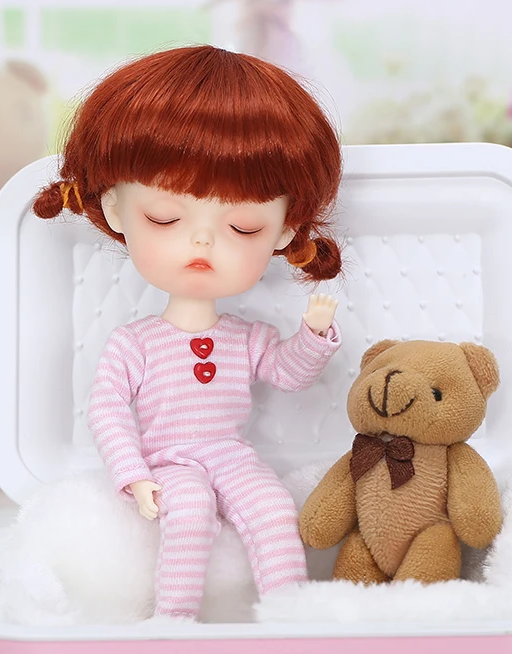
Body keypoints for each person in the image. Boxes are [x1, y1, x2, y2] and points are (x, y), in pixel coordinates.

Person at [33, 44, 343, 619]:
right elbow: (107, 410)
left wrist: (313, 335)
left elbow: (289, 374)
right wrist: (134, 475)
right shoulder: (135, 344)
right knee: (190, 516)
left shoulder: (245, 338)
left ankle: (294, 617)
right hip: (169, 462)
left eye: (243, 226)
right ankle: (172, 620)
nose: (202, 241)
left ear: (284, 231)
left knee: (275, 510)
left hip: (231, 454)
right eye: (164, 218)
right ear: (116, 211)